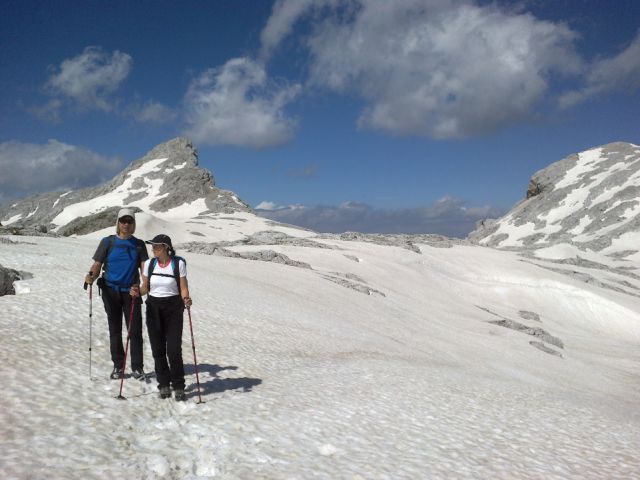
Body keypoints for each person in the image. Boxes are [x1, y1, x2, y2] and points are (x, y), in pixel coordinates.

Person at [84, 208, 148, 380]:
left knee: (134, 331)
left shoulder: (139, 245)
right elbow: (97, 264)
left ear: (133, 224)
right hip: (110, 291)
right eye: (123, 220)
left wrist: (144, 288)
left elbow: (144, 270)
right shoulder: (107, 242)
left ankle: (137, 367)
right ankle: (118, 366)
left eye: (129, 221)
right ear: (118, 223)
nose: (126, 224)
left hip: (131, 292)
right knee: (115, 330)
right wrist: (91, 276)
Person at [134, 234, 192, 401]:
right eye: (153, 247)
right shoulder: (150, 265)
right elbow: (145, 288)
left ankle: (179, 385)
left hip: (174, 307)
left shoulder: (178, 263)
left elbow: (183, 287)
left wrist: (186, 299)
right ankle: (164, 384)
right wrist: (137, 292)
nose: (154, 250)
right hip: (153, 307)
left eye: (157, 247)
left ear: (167, 247)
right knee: (158, 349)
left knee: (173, 350)